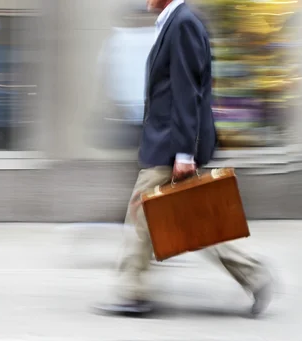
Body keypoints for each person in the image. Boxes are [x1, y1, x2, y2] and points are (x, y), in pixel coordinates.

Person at [95, 0, 274, 317]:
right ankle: (255, 274)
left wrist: (184, 153)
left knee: (140, 212)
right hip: (169, 141)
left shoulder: (183, 23)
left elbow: (186, 91)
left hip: (170, 145)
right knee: (193, 219)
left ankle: (132, 293)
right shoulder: (176, 22)